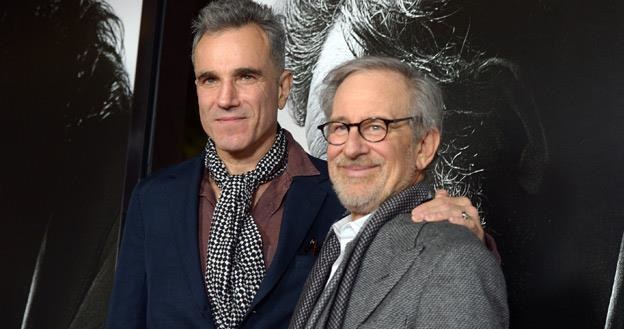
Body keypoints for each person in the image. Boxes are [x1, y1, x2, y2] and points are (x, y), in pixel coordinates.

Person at [106, 1, 490, 328]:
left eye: (246, 76)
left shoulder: (351, 192)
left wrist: (469, 234)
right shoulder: (154, 198)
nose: (225, 98)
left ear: (283, 87)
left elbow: (427, 268)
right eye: (209, 79)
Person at [289, 56, 508, 329]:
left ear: (424, 146)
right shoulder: (335, 248)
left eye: (376, 127)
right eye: (341, 127)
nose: (352, 148)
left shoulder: (455, 260)